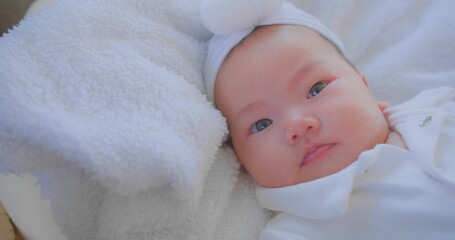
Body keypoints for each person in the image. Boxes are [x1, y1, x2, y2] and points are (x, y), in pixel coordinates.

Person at [200, 0, 455, 239]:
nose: (298, 124)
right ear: (242, 163)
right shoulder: (296, 232)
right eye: (262, 124)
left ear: (365, 88)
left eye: (316, 89)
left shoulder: (436, 106)